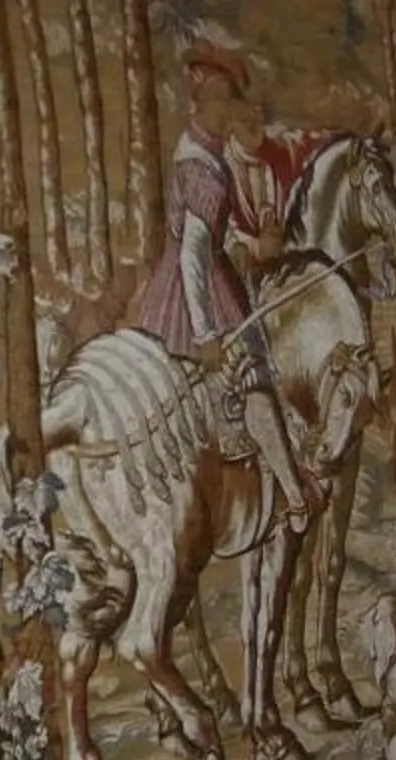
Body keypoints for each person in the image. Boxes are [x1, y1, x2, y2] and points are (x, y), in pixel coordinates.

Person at [131, 41, 312, 515]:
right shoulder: (203, 168)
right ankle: (293, 498)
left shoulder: (202, 152)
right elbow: (194, 251)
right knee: (252, 381)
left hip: (198, 275)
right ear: (203, 106)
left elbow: (217, 228)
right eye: (221, 103)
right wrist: (207, 331)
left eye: (229, 103)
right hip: (197, 291)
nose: (228, 113)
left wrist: (254, 246)